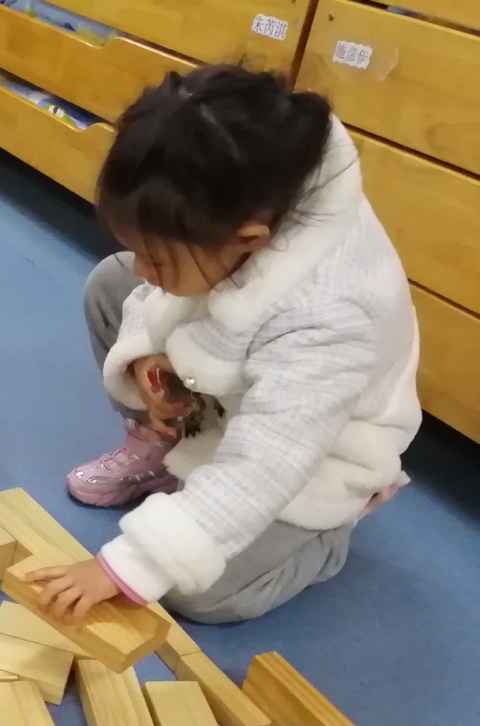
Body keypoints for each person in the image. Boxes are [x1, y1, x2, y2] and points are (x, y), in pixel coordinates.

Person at [33, 66, 420, 625]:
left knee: (195, 592)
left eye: (157, 258)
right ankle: (163, 445)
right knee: (110, 286)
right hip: (237, 389)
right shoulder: (243, 191)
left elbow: (265, 465)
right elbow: (154, 294)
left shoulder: (329, 317)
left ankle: (328, 535)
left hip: (314, 451)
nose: (143, 269)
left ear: (248, 241)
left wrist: (125, 566)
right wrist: (145, 359)